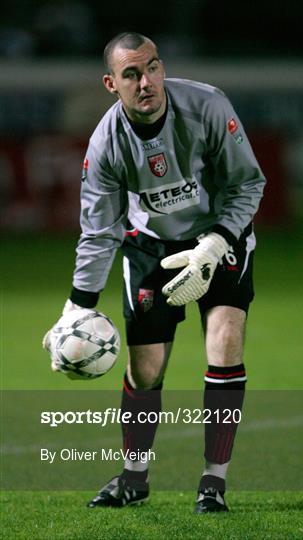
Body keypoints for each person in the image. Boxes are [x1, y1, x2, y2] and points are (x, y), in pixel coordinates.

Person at [44, 31, 266, 513]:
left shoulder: (207, 106)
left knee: (224, 342)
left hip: (218, 235)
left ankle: (214, 483)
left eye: (151, 68)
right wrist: (75, 308)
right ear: (111, 83)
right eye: (131, 74)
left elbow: (248, 184)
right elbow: (99, 231)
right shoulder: (105, 143)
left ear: (161, 67)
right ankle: (134, 479)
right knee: (145, 370)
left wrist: (214, 243)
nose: (145, 81)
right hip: (149, 245)